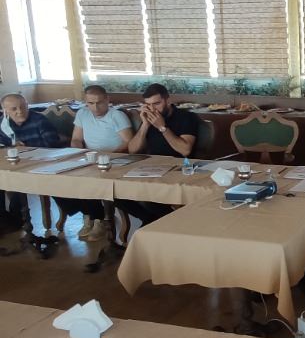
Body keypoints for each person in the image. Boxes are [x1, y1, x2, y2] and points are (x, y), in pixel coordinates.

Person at [117, 83, 199, 226]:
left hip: (179, 169)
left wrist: (162, 127)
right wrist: (145, 125)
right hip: (152, 168)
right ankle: (151, 221)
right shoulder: (149, 119)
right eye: (148, 105)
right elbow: (133, 150)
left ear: (168, 100)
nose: (153, 109)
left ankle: (162, 223)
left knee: (148, 197)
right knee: (116, 192)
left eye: (157, 103)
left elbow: (185, 150)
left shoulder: (186, 117)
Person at [67, 85, 133, 241]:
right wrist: (79, 153)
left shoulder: (116, 116)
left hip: (114, 161)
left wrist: (107, 156)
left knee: (90, 180)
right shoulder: (82, 114)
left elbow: (129, 142)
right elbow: (76, 139)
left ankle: (98, 219)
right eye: (90, 103)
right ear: (86, 102)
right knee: (67, 180)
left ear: (107, 100)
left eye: (99, 103)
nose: (95, 108)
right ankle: (89, 215)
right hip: (89, 159)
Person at [0, 94, 61, 232]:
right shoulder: (3, 124)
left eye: (23, 107)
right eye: (14, 109)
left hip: (41, 164)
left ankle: (17, 220)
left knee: (18, 183)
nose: (20, 111)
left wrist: (26, 148)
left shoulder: (39, 120)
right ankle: (4, 219)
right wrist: (10, 148)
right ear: (5, 111)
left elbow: (52, 146)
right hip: (13, 165)